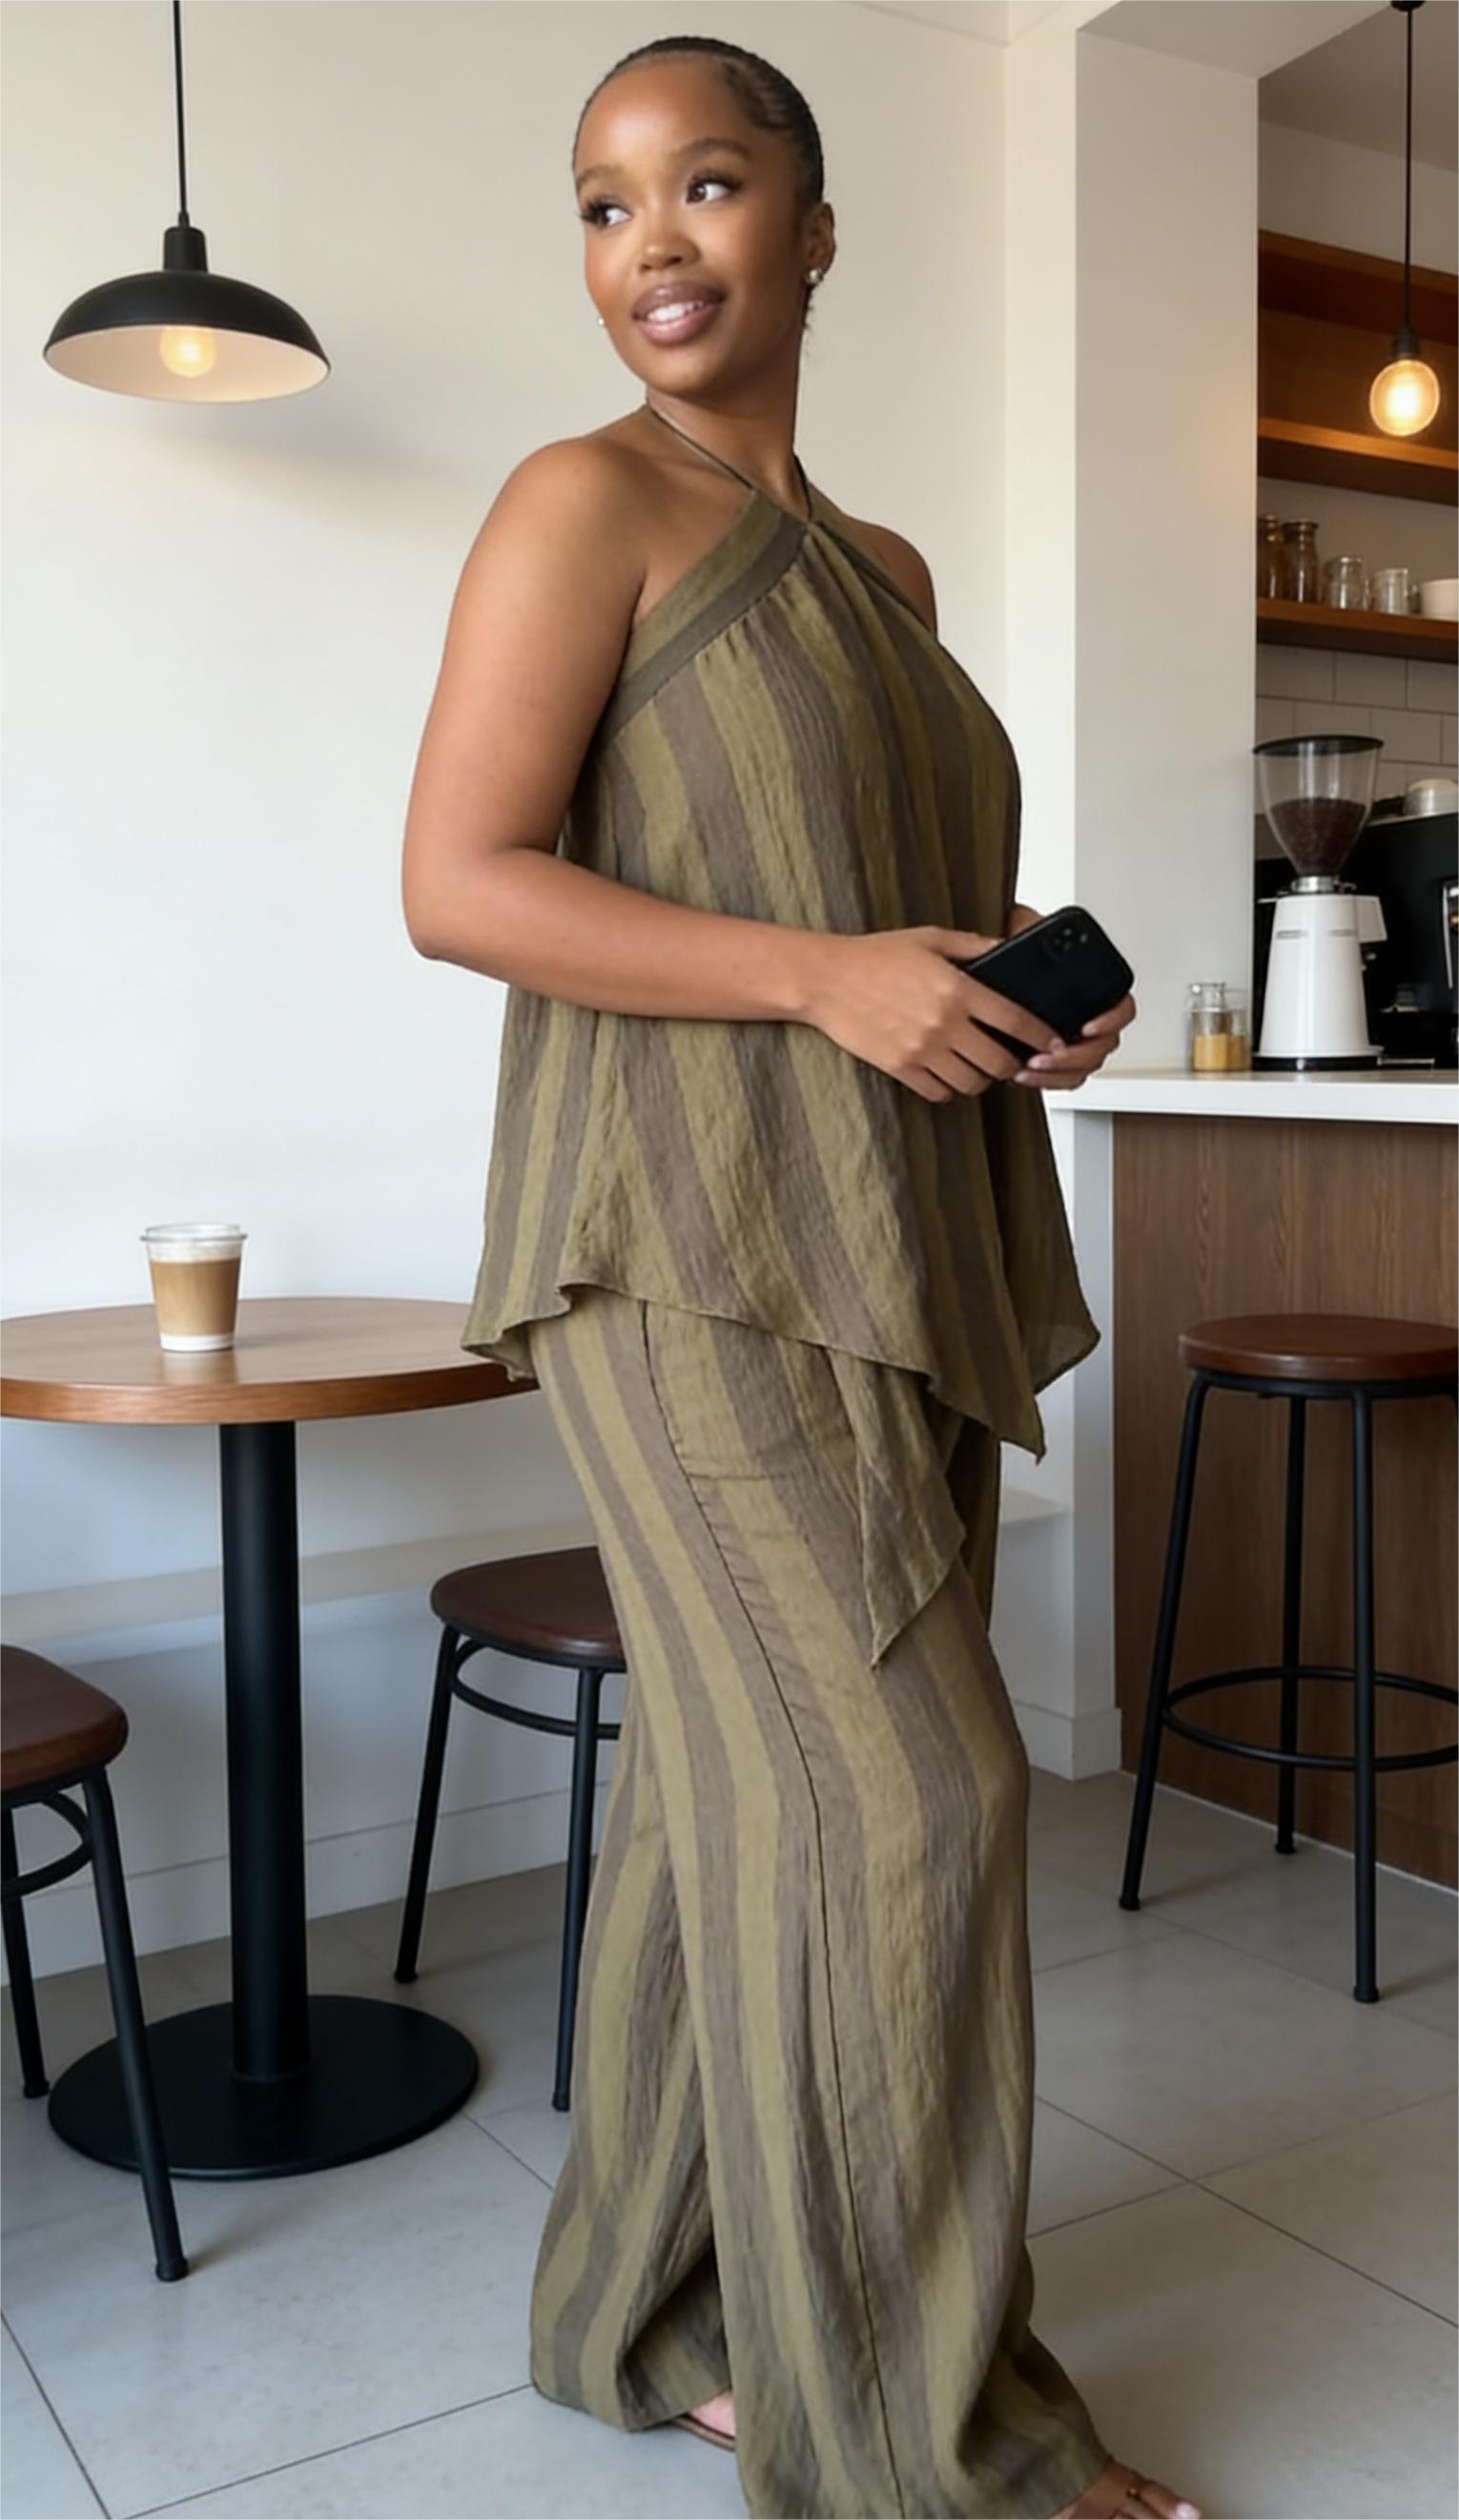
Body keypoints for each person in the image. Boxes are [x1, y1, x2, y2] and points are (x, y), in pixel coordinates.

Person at [401, 34, 1199, 2520]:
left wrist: (990, 990)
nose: (653, 242)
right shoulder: (581, 502)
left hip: (885, 1240)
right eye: (604, 201)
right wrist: (824, 979)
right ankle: (922, 2453)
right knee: (915, 1803)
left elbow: (862, 915)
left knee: (728, 1809)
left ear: (816, 228)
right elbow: (460, 880)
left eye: (711, 183)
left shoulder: (893, 577)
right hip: (677, 1255)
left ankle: (641, 2315)